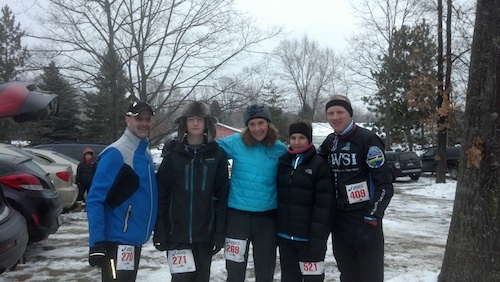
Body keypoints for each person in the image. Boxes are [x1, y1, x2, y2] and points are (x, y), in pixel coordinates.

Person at [318, 95, 394, 282]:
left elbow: (384, 186)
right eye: (330, 113)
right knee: (348, 275)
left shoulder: (368, 140)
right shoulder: (330, 142)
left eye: (340, 112)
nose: (335, 117)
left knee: (370, 276)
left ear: (350, 114)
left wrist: (371, 220)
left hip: (364, 220)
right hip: (339, 221)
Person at [153, 101, 229, 282]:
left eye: (200, 119)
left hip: (205, 236)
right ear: (184, 123)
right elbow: (162, 194)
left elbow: (222, 196)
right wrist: (160, 230)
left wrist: (219, 233)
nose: (195, 123)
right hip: (176, 236)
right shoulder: (173, 155)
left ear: (206, 124)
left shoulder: (217, 155)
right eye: (191, 119)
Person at [86, 100, 158, 282]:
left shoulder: (145, 153)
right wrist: (96, 244)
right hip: (116, 241)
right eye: (138, 118)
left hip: (133, 239)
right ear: (128, 120)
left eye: (147, 119)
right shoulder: (117, 153)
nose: (143, 123)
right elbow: (95, 199)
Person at [216, 103, 287, 282]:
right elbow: (209, 148)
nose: (257, 129)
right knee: (235, 269)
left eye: (261, 123)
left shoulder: (279, 149)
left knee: (265, 269)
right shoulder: (235, 142)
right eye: (252, 124)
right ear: (247, 126)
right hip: (237, 218)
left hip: (267, 219)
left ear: (268, 124)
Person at [276, 120, 334, 282]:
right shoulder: (283, 163)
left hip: (309, 240)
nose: (296, 142)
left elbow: (324, 207)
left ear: (309, 139)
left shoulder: (319, 165)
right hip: (286, 238)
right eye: (293, 137)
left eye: (301, 137)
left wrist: (317, 239)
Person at [74, 147, 97, 212]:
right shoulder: (81, 164)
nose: (88, 157)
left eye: (89, 155)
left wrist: (95, 182)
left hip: (91, 182)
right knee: (80, 195)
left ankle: (89, 207)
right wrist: (77, 181)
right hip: (82, 182)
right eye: (86, 155)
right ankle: (79, 206)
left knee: (90, 195)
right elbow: (79, 173)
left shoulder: (94, 163)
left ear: (91, 156)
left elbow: (96, 173)